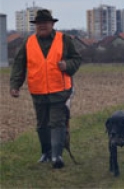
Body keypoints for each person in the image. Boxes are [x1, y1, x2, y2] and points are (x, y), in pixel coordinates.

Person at [10, 9, 82, 169]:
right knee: (42, 124)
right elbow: (19, 65)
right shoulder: (28, 43)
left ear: (52, 24)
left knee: (57, 122)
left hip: (60, 90)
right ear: (36, 25)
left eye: (45, 23)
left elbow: (77, 59)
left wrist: (67, 65)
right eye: (39, 23)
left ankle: (57, 156)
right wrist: (15, 85)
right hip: (38, 91)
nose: (42, 26)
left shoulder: (64, 39)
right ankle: (46, 153)